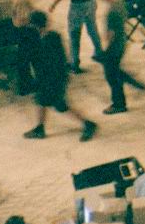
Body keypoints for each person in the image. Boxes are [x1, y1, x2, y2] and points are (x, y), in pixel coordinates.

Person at [23, 10, 97, 141]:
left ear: (35, 25)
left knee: (60, 105)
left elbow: (49, 64)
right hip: (56, 78)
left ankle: (88, 124)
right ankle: (40, 128)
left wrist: (41, 79)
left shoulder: (46, 42)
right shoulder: (53, 36)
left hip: (52, 80)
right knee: (42, 101)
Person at [96, 0, 145, 114]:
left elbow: (110, 34)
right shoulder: (120, 2)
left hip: (115, 46)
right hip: (122, 41)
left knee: (111, 75)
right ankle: (137, 84)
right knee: (115, 70)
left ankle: (119, 103)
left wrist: (106, 46)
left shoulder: (111, 10)